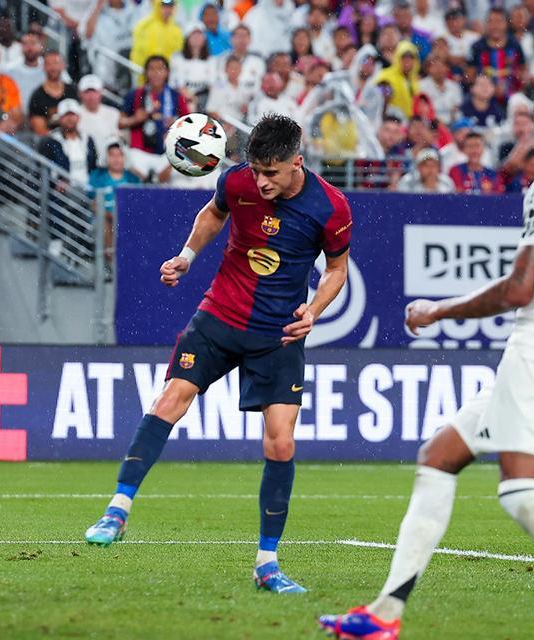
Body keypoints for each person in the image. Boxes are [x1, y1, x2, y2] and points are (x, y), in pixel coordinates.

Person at [320, 62, 534, 640]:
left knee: (523, 492)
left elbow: (518, 289)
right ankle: (384, 614)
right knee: (439, 457)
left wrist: (438, 310)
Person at [82, 114, 353, 596]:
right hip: (221, 314)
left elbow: (336, 270)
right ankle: (116, 511)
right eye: (257, 171)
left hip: (279, 333)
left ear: (297, 161)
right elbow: (213, 215)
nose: (263, 182)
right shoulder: (237, 181)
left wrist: (314, 310)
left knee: (280, 443)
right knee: (171, 398)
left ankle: (267, 564)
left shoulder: (330, 208)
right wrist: (186, 256)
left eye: (272, 172)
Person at [129, 0, 184, 78]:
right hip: (147, 77)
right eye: (164, 6)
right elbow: (137, 54)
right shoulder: (144, 26)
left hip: (169, 77)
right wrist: (142, 75)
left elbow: (177, 55)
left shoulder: (177, 30)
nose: (167, 10)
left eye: (170, 7)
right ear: (157, 6)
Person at [28, 51, 77, 136]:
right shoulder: (37, 96)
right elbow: (39, 130)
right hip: (50, 144)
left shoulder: (73, 91)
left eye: (56, 63)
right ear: (43, 67)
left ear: (63, 65)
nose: (53, 67)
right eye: (49, 64)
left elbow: (80, 120)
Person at [77, 74, 122, 152]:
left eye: (94, 92)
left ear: (101, 93)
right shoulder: (74, 114)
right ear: (80, 94)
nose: (91, 96)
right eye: (87, 92)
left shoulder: (114, 113)